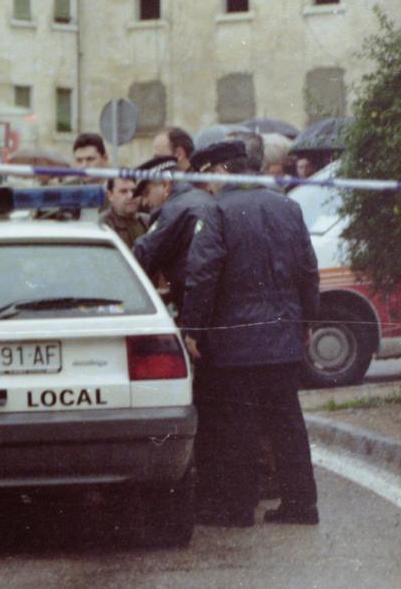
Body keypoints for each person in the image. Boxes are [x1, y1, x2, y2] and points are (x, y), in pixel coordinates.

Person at [181, 140, 321, 528]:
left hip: (236, 340)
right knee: (287, 422)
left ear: (223, 170)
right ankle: (301, 504)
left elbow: (203, 274)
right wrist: (307, 320)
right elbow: (308, 271)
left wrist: (193, 328)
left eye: (206, 173)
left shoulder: (217, 212)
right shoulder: (289, 207)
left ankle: (238, 508)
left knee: (238, 425)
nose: (204, 183)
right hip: (282, 336)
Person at [133, 155, 215, 317]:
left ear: (165, 184)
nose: (144, 201)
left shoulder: (173, 210)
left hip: (195, 308)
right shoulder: (204, 198)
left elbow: (142, 256)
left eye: (146, 192)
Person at [100, 177, 146, 247]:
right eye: (123, 191)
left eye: (134, 191)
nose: (131, 196)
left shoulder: (148, 222)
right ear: (110, 195)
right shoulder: (103, 226)